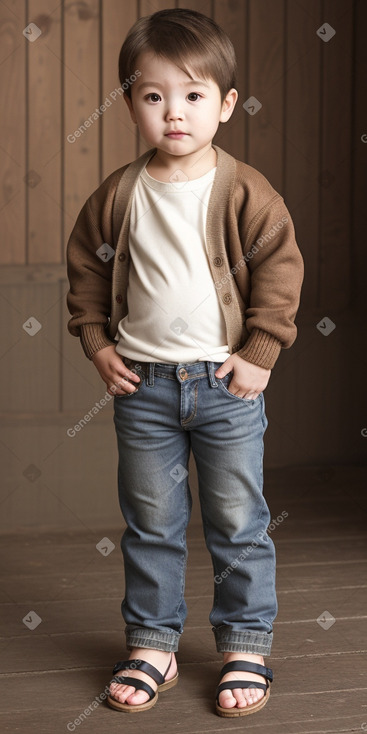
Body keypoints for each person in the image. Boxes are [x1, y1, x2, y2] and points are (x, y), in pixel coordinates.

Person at [66, 7, 304, 718]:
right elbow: (83, 274)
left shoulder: (245, 190)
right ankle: (152, 642)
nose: (174, 113)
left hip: (226, 384)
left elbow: (279, 272)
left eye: (193, 95)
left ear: (225, 105)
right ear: (130, 103)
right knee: (151, 520)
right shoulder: (118, 194)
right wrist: (99, 345)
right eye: (153, 95)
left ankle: (244, 644)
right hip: (143, 386)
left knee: (237, 518)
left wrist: (260, 353)